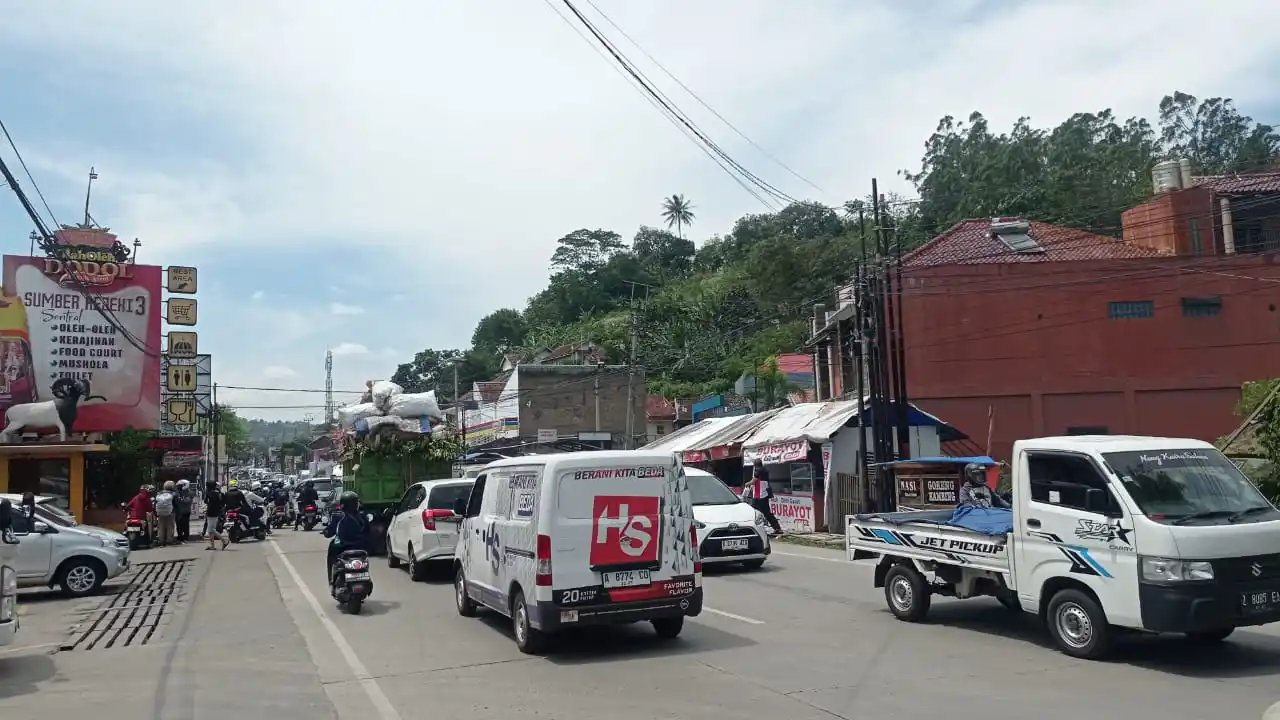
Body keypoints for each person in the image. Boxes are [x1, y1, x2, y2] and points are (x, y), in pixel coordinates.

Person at [321, 491, 367, 582]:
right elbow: (368, 532)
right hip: (361, 546)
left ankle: (332, 579)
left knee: (332, 547)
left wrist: (326, 532)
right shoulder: (362, 517)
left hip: (343, 547)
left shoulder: (339, 516)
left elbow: (329, 532)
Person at [745, 459, 784, 536]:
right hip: (764, 494)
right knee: (767, 513)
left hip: (759, 495)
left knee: (753, 512)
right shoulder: (765, 470)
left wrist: (747, 483)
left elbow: (753, 481)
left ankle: (751, 529)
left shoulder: (757, 471)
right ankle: (777, 528)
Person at [203, 481, 227, 550]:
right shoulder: (218, 492)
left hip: (211, 512)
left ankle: (224, 541)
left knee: (211, 529)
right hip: (216, 512)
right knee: (210, 531)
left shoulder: (210, 493)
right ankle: (212, 546)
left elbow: (205, 501)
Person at [154, 481, 178, 545]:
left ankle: (161, 540)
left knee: (161, 526)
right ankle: (169, 540)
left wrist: (156, 511)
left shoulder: (159, 493)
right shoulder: (173, 494)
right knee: (170, 526)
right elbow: (175, 504)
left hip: (160, 512)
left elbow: (155, 502)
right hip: (170, 512)